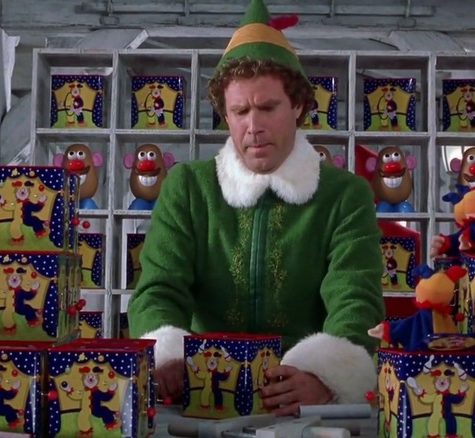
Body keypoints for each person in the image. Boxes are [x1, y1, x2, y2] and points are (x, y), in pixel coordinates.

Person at [126, 0, 385, 416]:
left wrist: (326, 377)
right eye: (240, 111)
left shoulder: (345, 194)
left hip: (299, 400)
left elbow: (356, 297)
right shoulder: (189, 187)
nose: (253, 126)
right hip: (201, 392)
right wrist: (168, 354)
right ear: (226, 116)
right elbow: (159, 287)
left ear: (298, 106)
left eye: (267, 108)